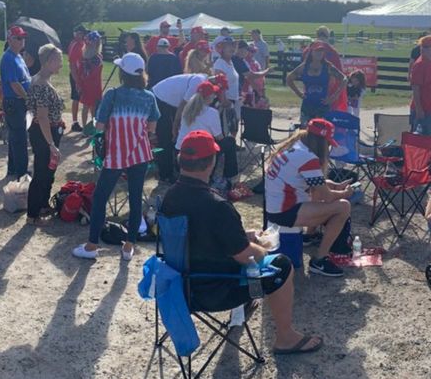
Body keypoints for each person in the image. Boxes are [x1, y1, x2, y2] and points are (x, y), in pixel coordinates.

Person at [161, 130, 321, 355]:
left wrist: (242, 236)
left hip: (180, 285)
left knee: (249, 252)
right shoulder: (216, 205)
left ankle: (249, 304)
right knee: (281, 265)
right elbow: (245, 256)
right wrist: (262, 248)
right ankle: (285, 337)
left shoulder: (170, 196)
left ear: (181, 160)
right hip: (215, 290)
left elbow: (196, 234)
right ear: (212, 163)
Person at [73, 52, 158, 261]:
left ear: (122, 73)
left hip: (116, 153)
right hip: (139, 153)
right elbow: (152, 128)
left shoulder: (113, 94)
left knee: (101, 197)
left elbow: (99, 127)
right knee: (136, 197)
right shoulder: (149, 97)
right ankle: (129, 246)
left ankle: (92, 245)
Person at [264, 119, 351, 277]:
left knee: (318, 194)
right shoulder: (308, 158)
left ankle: (309, 236)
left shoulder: (297, 147)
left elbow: (312, 183)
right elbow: (326, 195)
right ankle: (320, 260)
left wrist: (332, 185)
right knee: (343, 206)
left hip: (275, 207)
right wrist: (345, 193)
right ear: (322, 142)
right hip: (284, 212)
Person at [26, 44, 65, 222]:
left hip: (48, 130)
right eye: (59, 60)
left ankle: (42, 205)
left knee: (48, 170)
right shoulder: (41, 84)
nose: (61, 64)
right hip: (44, 132)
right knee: (41, 172)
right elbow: (42, 117)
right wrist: (51, 144)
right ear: (49, 61)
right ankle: (33, 213)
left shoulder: (41, 79)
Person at [0, 25, 32, 179]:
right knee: (19, 137)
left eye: (23, 38)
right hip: (15, 101)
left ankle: (13, 168)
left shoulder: (18, 56)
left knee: (15, 136)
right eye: (18, 38)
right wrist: (28, 98)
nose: (21, 41)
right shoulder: (8, 58)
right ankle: (22, 171)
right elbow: (14, 84)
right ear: (10, 39)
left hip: (18, 101)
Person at [288, 41, 344, 125]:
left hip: (322, 106)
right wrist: (298, 93)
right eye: (317, 51)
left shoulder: (328, 66)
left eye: (321, 51)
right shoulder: (304, 66)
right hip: (307, 105)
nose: (320, 53)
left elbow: (344, 79)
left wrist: (333, 97)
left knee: (320, 132)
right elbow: (289, 78)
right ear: (311, 52)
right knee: (305, 132)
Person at [75, 30, 104, 128]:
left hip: (88, 85)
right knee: (92, 108)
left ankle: (88, 127)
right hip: (92, 86)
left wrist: (80, 83)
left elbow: (80, 72)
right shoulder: (95, 57)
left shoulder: (85, 56)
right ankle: (90, 127)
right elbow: (92, 73)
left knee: (88, 107)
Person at [67, 25, 88, 130]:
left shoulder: (82, 43)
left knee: (80, 97)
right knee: (76, 97)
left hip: (81, 74)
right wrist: (77, 80)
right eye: (79, 33)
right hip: (76, 74)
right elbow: (72, 64)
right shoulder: (75, 45)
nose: (82, 35)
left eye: (82, 33)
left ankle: (78, 122)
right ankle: (75, 122)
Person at [411, 36, 431, 133]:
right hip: (424, 110)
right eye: (423, 47)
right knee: (421, 140)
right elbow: (415, 88)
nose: (422, 49)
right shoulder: (420, 64)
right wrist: (419, 110)